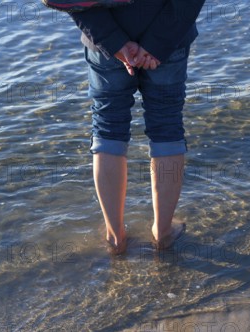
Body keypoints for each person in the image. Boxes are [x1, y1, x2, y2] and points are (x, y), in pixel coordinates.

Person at [69, 0, 206, 254]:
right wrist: (159, 42)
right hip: (169, 34)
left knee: (107, 127)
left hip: (105, 35)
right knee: (167, 126)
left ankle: (115, 237)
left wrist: (113, 41)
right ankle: (163, 233)